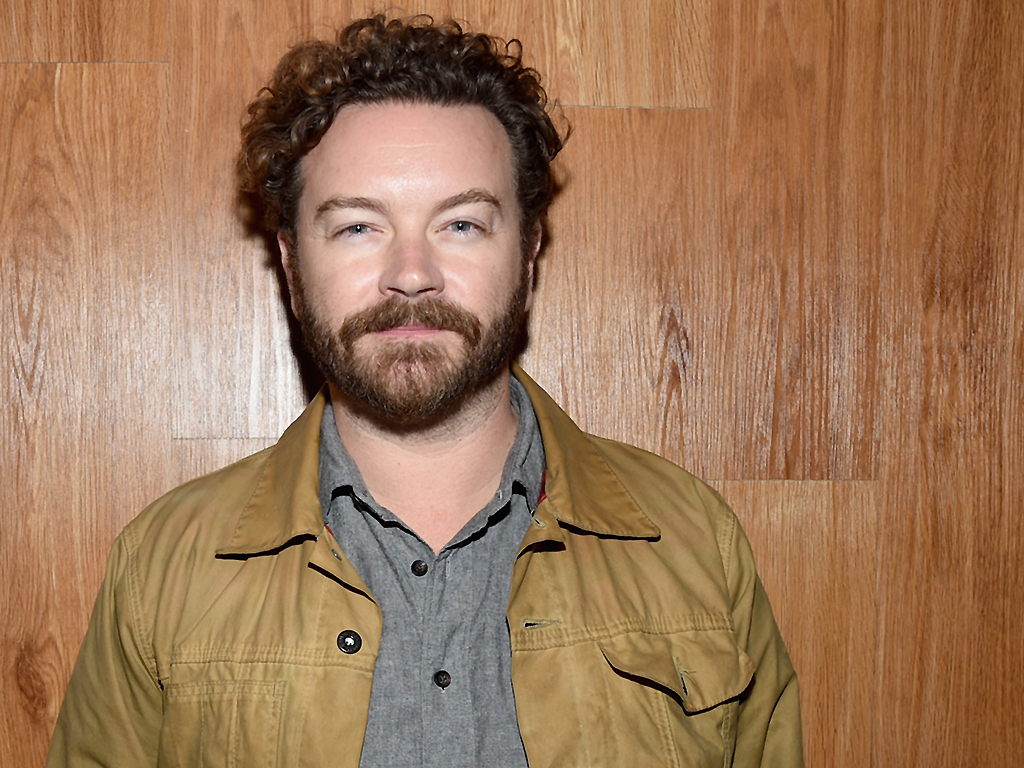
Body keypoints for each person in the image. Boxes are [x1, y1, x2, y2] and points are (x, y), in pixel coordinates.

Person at [47, 14, 803, 768]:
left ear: (528, 254)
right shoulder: (163, 569)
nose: (411, 274)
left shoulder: (694, 544)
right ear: (291, 263)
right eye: (357, 228)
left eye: (462, 225)